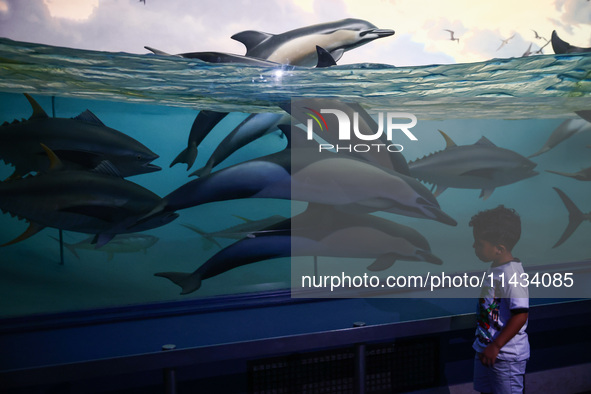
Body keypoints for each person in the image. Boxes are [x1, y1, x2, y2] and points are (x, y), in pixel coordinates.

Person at [469, 205, 529, 394]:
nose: (474, 247)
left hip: (505, 356)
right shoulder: (496, 269)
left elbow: (520, 315)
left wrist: (495, 346)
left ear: (499, 248)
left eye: (478, 243)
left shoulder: (511, 274)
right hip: (486, 350)